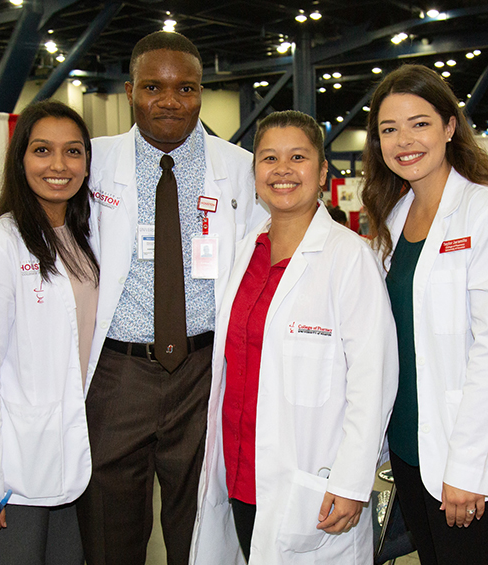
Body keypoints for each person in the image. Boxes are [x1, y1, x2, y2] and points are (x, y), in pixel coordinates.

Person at [0, 31, 265, 565]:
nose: (169, 100)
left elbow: (295, 229)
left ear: (201, 91)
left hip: (203, 372)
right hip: (115, 375)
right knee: (107, 524)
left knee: (199, 525)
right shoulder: (92, 160)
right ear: (129, 91)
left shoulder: (239, 168)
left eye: (186, 88)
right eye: (153, 86)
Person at [191, 111, 397, 562]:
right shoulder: (246, 252)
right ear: (255, 173)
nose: (282, 170)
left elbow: (373, 380)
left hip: (312, 481)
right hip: (240, 474)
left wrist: (351, 481)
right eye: (269, 158)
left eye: (298, 157)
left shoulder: (349, 258)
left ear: (322, 171)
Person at [361, 64, 488, 565]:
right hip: (409, 443)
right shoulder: (395, 217)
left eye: (419, 123)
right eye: (388, 129)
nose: (404, 140)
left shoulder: (487, 212)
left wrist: (467, 467)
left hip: (466, 455)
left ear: (449, 127)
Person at [0, 100, 99, 563]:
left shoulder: (82, 238)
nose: (59, 165)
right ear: (20, 160)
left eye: (73, 152)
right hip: (15, 469)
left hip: (70, 451)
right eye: (43, 150)